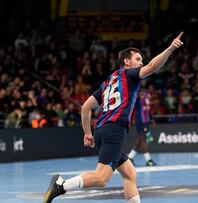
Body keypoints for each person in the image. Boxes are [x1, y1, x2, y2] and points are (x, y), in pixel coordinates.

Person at [44, 32, 184, 203]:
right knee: (102, 178)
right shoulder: (129, 75)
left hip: (101, 130)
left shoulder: (109, 81)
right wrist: (170, 48)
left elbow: (85, 107)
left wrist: (87, 133)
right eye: (138, 59)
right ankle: (61, 186)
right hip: (114, 129)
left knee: (130, 174)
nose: (141, 63)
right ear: (127, 62)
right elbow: (153, 67)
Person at [128, 82, 157, 167]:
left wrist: (151, 118)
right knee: (143, 139)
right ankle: (149, 160)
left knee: (141, 140)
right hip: (140, 121)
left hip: (145, 120)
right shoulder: (137, 95)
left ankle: (130, 158)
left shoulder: (146, 93)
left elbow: (147, 108)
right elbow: (133, 108)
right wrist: (131, 119)